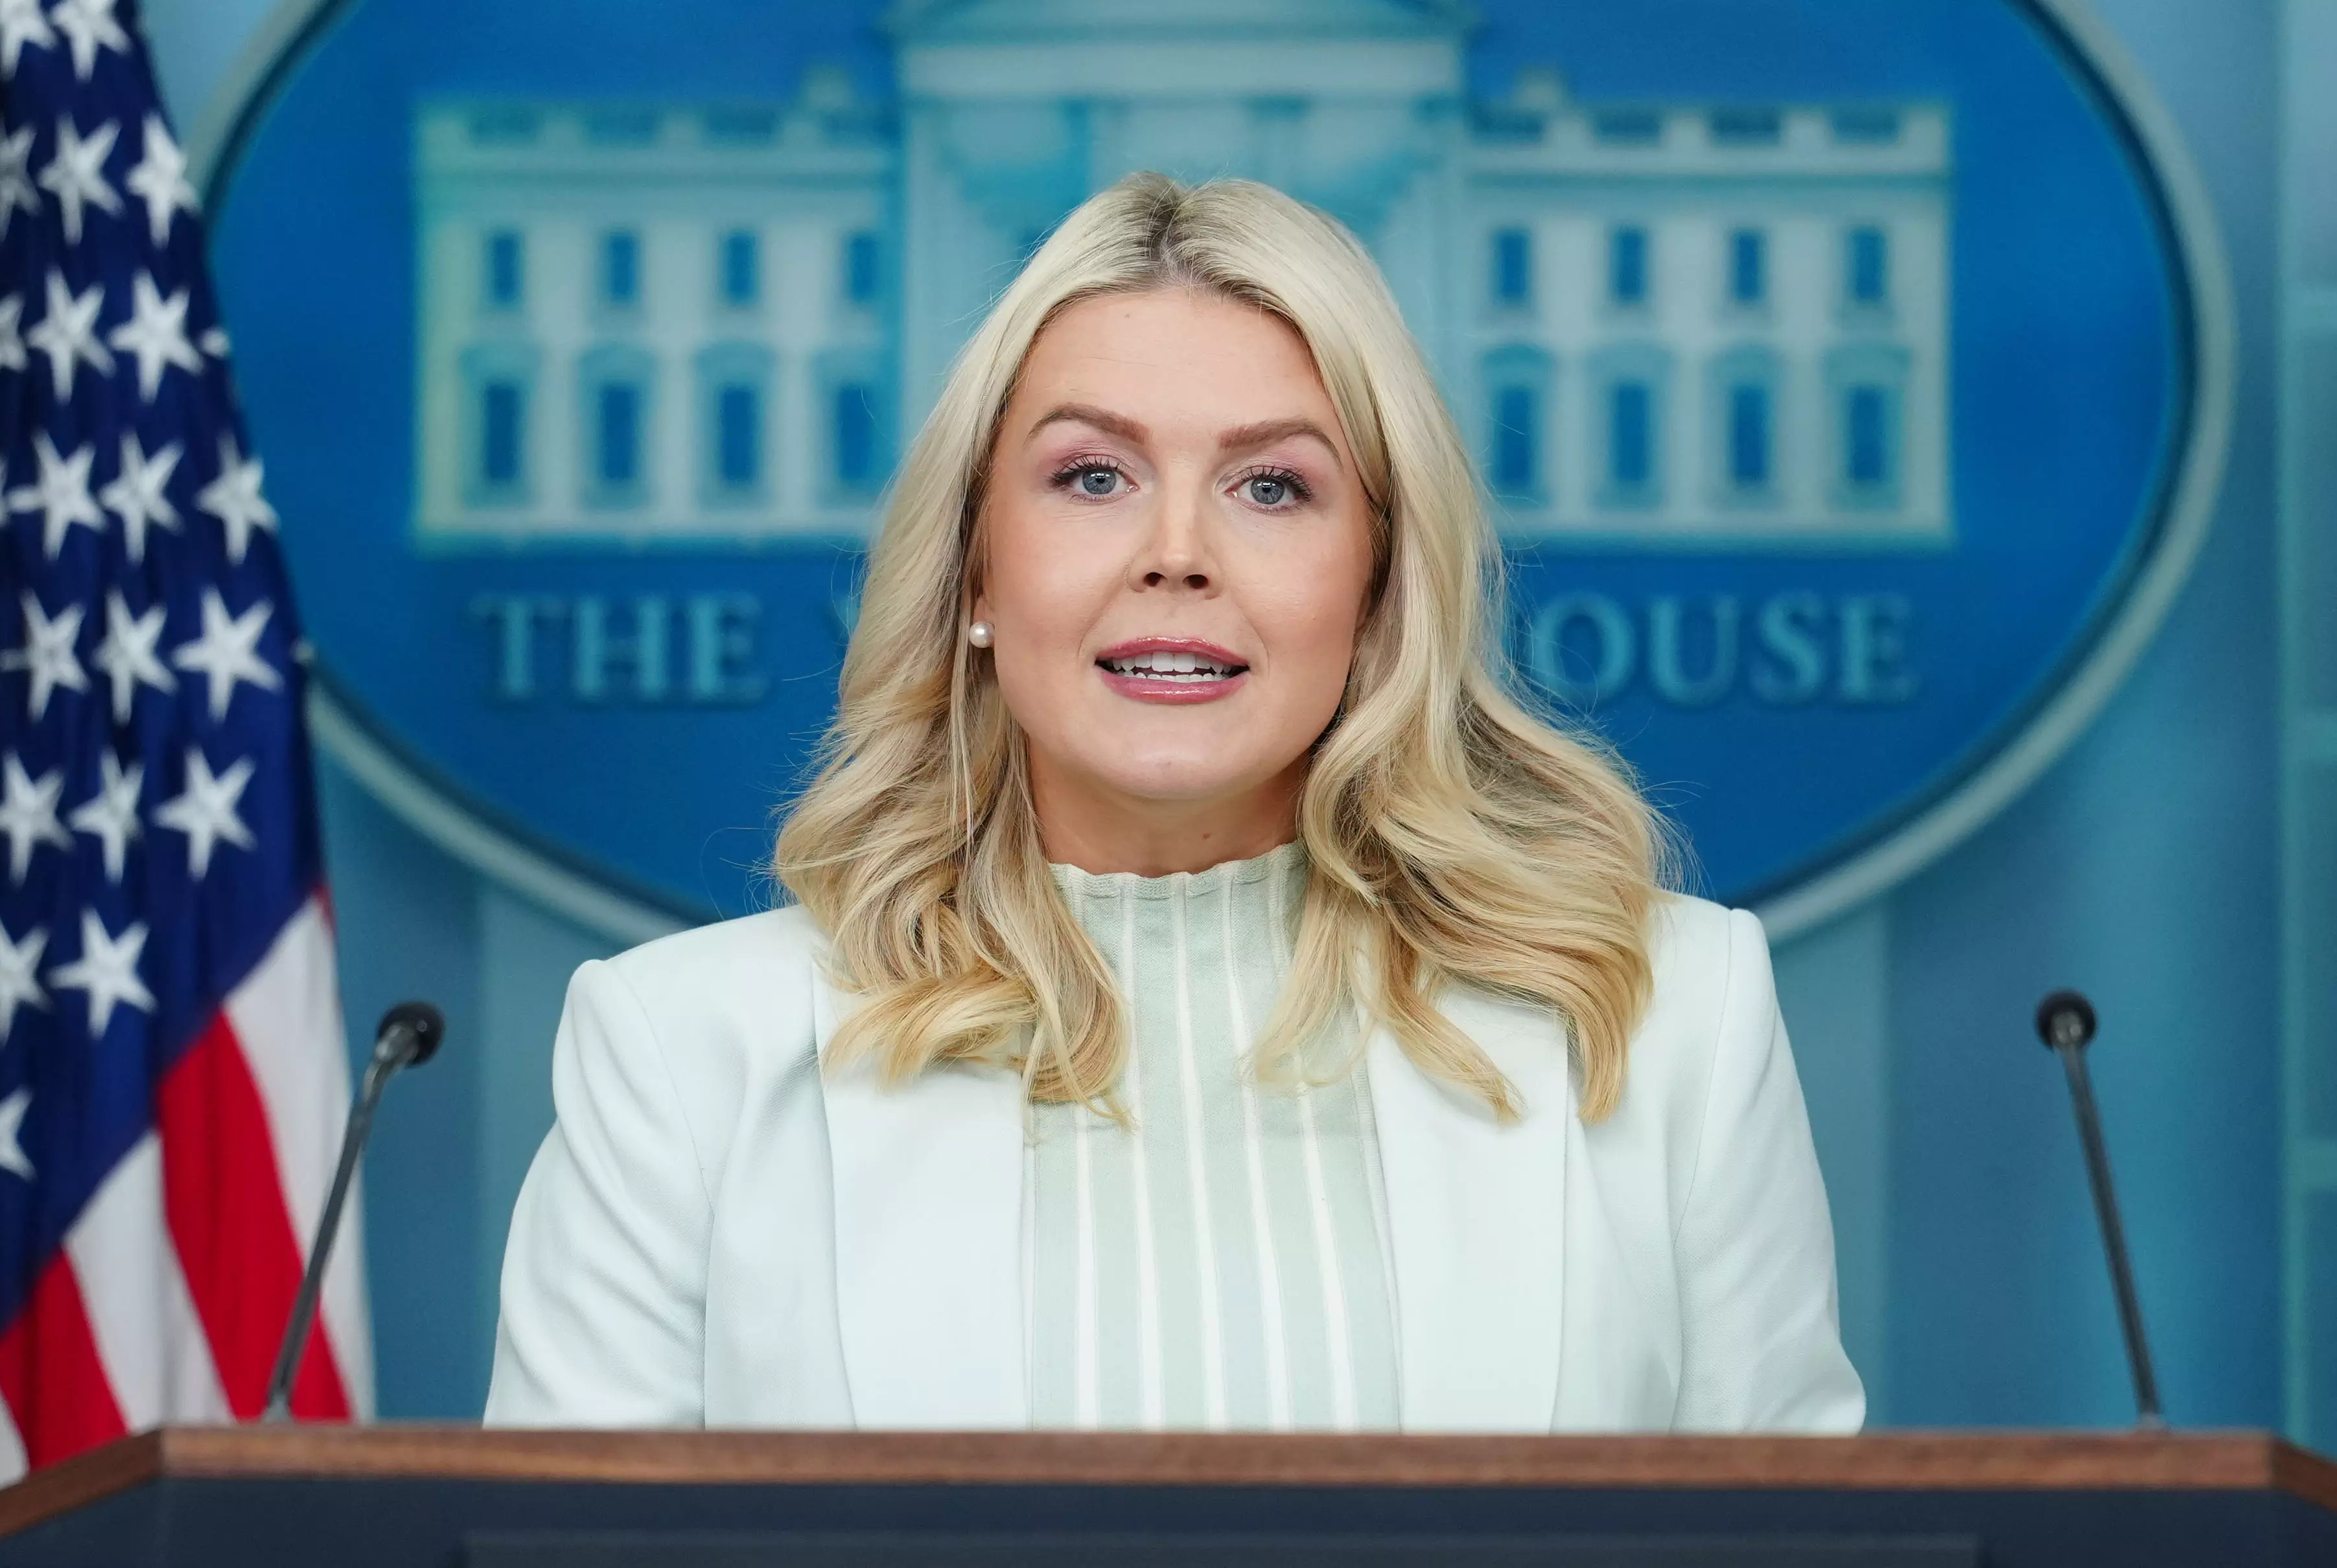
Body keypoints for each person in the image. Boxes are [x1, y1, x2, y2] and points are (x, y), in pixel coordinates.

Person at [484, 172, 1865, 1433]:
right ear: (975, 572)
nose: (1178, 553)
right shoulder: (680, 1056)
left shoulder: (1674, 1017)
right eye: (1093, 476)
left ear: (1379, 587)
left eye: (1273, 486)